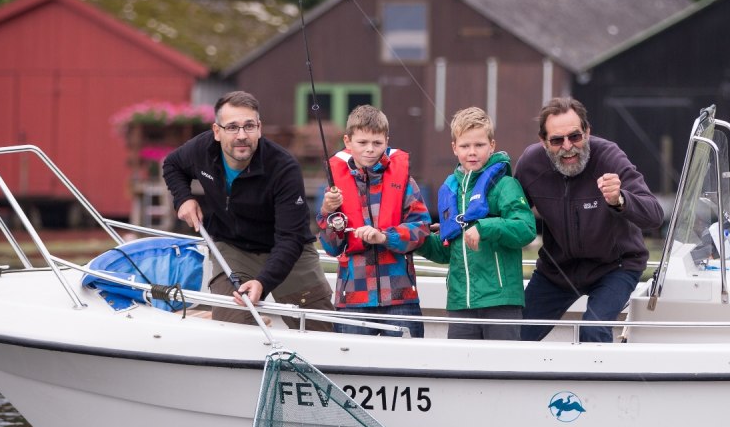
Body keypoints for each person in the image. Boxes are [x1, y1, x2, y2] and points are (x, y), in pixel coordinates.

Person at [162, 90, 335, 327]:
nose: (241, 135)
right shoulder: (201, 149)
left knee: (320, 329)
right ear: (216, 132)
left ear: (259, 128)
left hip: (287, 250)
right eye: (232, 127)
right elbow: (172, 165)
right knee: (232, 324)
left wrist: (262, 282)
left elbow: (291, 237)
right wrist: (183, 198)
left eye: (249, 126)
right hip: (233, 247)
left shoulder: (284, 167)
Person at [514, 96, 663, 342]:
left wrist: (620, 200)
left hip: (614, 267)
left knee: (593, 330)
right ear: (543, 142)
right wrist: (463, 223)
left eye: (575, 136)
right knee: (515, 334)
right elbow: (508, 211)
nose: (568, 146)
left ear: (587, 132)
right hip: (557, 269)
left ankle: (600, 380)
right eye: (557, 140)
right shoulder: (531, 163)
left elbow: (654, 215)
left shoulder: (609, 157)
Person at [417, 107, 536, 340]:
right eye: (465, 146)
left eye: (479, 145)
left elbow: (526, 229)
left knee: (501, 374)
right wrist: (418, 240)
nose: (472, 152)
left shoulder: (506, 185)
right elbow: (446, 253)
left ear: (492, 145)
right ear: (454, 148)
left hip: (501, 302)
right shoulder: (450, 189)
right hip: (460, 302)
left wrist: (483, 227)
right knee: (460, 373)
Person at [316, 105, 432, 337]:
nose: (370, 149)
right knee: (349, 371)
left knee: (407, 368)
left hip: (401, 299)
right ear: (348, 142)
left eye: (377, 143)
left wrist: (384, 236)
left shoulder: (405, 182)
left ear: (386, 141)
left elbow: (421, 229)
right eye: (363, 143)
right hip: (352, 300)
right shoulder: (334, 188)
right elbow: (331, 247)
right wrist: (327, 212)